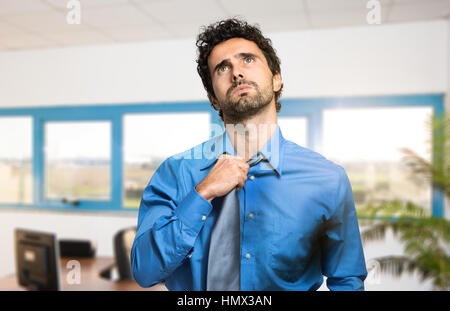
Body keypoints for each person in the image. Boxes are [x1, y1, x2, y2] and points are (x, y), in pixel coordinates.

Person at [131, 18, 367, 291]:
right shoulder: (175, 172)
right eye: (223, 68)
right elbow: (144, 271)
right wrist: (202, 193)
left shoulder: (328, 179)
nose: (237, 73)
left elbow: (346, 280)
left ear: (276, 79)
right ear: (213, 99)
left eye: (248, 60)